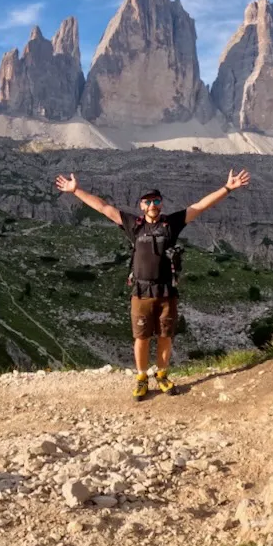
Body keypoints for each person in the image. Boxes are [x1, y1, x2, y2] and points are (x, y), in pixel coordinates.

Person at [54, 169, 251, 400]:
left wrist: (227, 188)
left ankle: (162, 375)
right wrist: (76, 190)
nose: (152, 205)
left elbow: (200, 206)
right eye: (147, 202)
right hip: (141, 291)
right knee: (142, 337)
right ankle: (141, 378)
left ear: (161, 204)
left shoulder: (171, 223)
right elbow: (103, 208)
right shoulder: (133, 225)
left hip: (167, 291)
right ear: (141, 206)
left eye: (156, 201)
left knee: (165, 336)